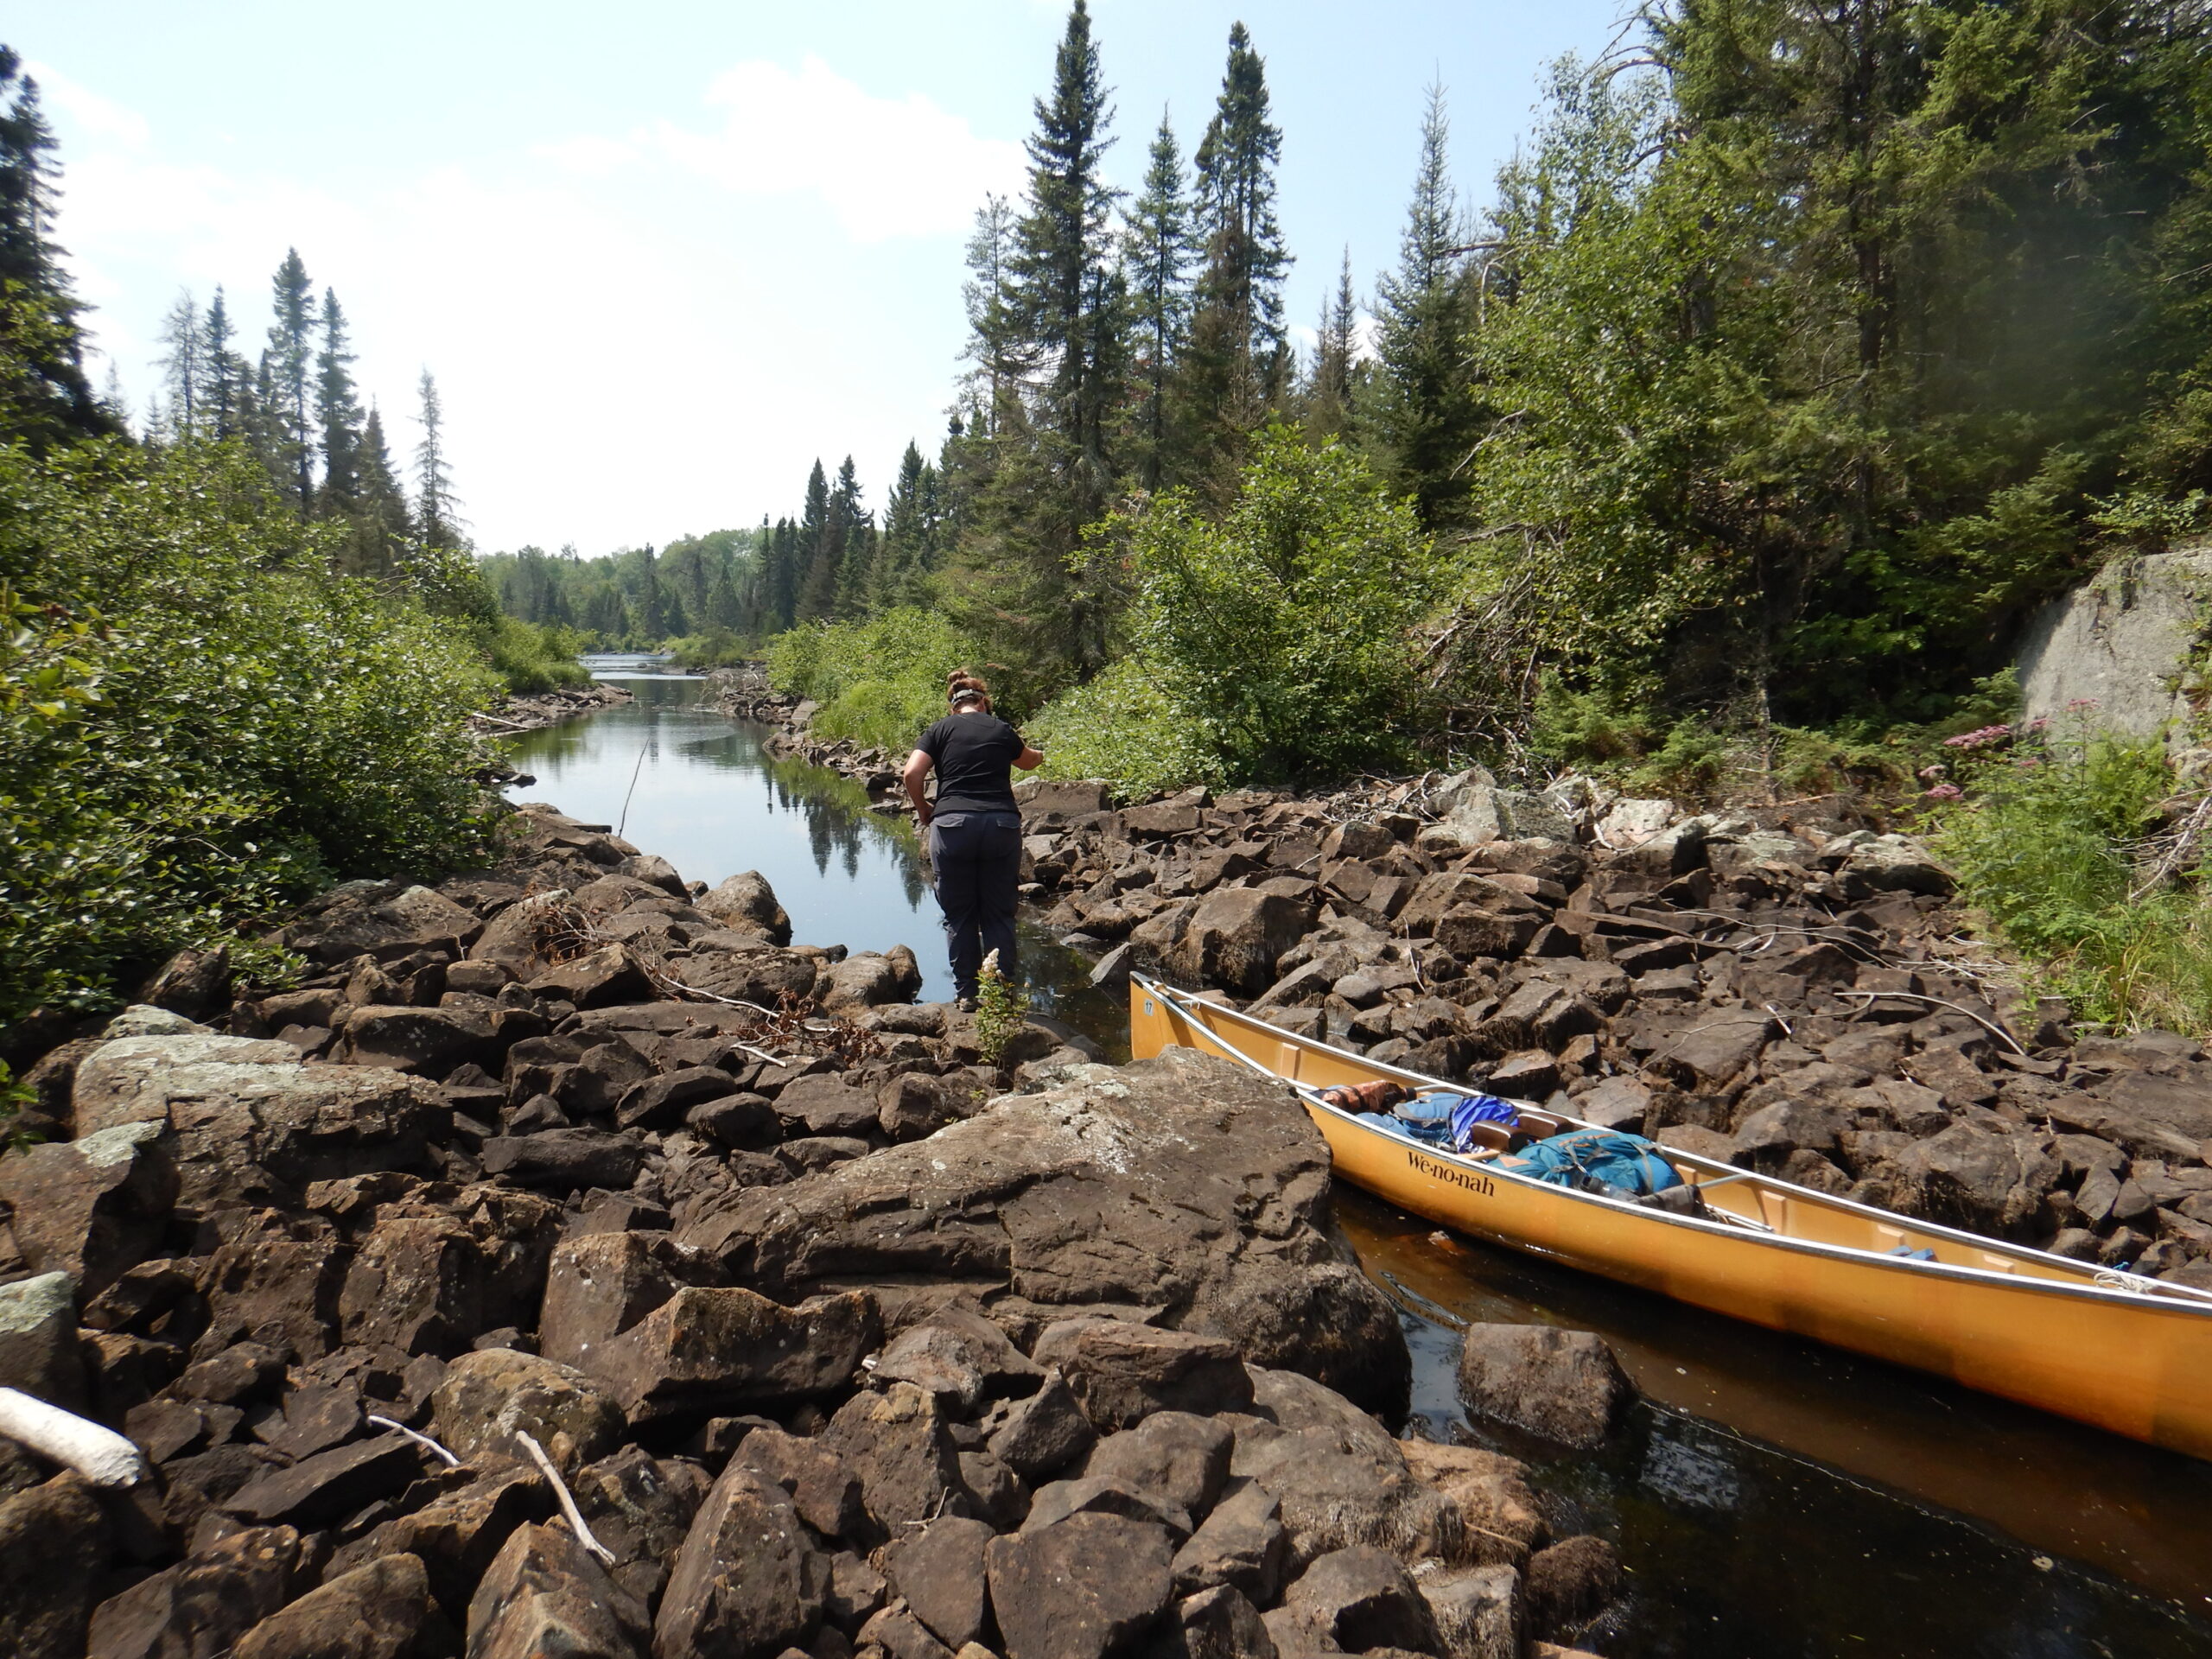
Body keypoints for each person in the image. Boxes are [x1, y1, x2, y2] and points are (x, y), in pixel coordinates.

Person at [903, 670, 1044, 1008]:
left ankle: (967, 993)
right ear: (982, 703)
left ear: (954, 707)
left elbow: (912, 773)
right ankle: (998, 993)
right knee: (998, 914)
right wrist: (1040, 752)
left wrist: (924, 808)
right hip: (1000, 826)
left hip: (952, 825)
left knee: (960, 915)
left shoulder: (938, 730)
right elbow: (1029, 762)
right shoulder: (1000, 728)